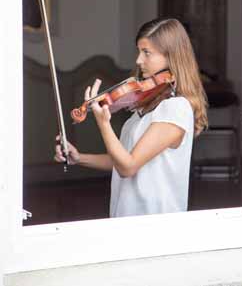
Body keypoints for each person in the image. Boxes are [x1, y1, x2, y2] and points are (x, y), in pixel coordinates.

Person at [55, 18, 208, 217]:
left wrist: (103, 123)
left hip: (153, 221)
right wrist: (79, 158)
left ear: (171, 57)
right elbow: (120, 160)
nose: (138, 60)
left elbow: (128, 166)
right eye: (139, 51)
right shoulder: (145, 108)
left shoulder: (175, 108)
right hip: (127, 215)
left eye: (147, 53)